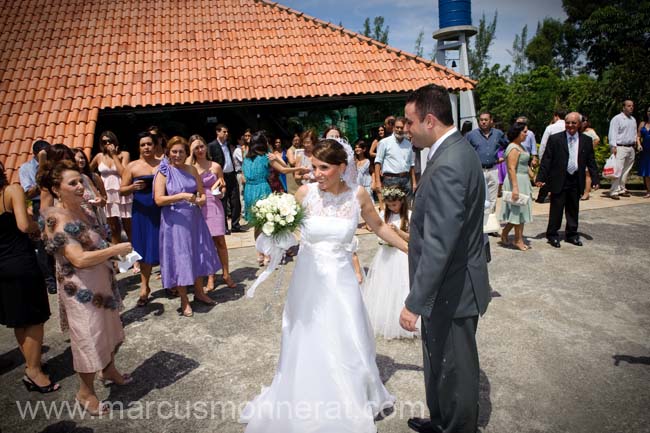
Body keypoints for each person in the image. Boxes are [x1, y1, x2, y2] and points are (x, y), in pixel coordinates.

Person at [240, 138, 408, 432]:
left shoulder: (358, 196)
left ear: (342, 168)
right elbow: (285, 228)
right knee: (307, 335)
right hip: (309, 279)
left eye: (324, 167)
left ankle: (348, 397)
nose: (315, 173)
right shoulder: (305, 193)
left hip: (341, 280)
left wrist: (411, 249)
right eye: (314, 166)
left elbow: (379, 226)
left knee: (346, 334)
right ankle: (306, 394)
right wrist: (272, 230)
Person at [400, 84, 490, 433]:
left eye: (410, 122)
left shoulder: (450, 162)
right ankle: (441, 421)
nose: (405, 129)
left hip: (453, 290)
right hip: (452, 286)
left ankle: (456, 427)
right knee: (441, 360)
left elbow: (441, 243)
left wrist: (415, 301)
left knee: (455, 370)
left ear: (430, 120)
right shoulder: (452, 150)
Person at [38, 160, 132, 415]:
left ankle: (109, 370)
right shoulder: (57, 218)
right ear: (57, 189)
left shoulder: (85, 210)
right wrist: (116, 249)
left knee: (109, 329)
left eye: (81, 181)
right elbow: (77, 258)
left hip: (101, 281)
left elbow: (95, 246)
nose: (81, 186)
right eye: (73, 183)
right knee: (89, 338)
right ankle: (85, 392)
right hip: (81, 290)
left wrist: (112, 258)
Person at [0, 161, 58, 394]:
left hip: (1, 266)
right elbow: (23, 225)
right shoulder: (11, 191)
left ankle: (31, 362)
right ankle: (33, 372)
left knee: (18, 318)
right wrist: (38, 227)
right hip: (20, 261)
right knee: (34, 318)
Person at [154, 136, 220, 317]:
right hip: (175, 221)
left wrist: (201, 199)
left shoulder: (191, 169)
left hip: (195, 219)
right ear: (168, 152)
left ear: (186, 153)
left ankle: (199, 292)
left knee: (197, 254)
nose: (177, 155)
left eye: (181, 151)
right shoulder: (164, 171)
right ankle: (184, 300)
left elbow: (201, 193)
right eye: (174, 151)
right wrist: (182, 196)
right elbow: (158, 200)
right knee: (181, 257)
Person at [242, 131, 308, 265]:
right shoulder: (266, 157)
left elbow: (244, 177)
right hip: (262, 189)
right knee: (267, 223)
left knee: (257, 224)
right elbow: (284, 169)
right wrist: (299, 167)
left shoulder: (246, 158)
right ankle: (267, 254)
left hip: (249, 190)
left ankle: (260, 254)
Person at [536, 112, 600, 248]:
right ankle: (552, 234)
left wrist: (595, 179)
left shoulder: (586, 140)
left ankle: (572, 234)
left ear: (580, 124)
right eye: (568, 123)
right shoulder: (555, 139)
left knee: (573, 209)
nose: (570, 125)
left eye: (573, 123)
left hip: (576, 179)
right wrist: (540, 178)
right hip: (559, 178)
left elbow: (591, 161)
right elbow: (547, 160)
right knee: (556, 209)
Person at [362, 185, 415, 339]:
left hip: (401, 255)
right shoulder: (383, 215)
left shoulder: (410, 215)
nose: (392, 208)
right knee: (385, 286)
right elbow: (378, 232)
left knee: (402, 284)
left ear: (402, 202)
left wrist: (398, 233)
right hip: (386, 255)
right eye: (389, 205)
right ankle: (386, 319)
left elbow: (413, 239)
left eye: (395, 204)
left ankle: (405, 318)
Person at [119, 132, 162, 305]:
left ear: (154, 146)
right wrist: (132, 187)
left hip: (161, 210)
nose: (146, 147)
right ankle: (144, 287)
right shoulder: (132, 166)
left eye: (149, 144)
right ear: (139, 147)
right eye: (143, 145)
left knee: (163, 246)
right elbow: (121, 190)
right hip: (142, 212)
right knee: (144, 250)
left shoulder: (163, 164)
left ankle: (170, 282)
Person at [189, 134, 236, 290]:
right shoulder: (189, 167)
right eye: (196, 147)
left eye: (202, 146)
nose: (200, 150)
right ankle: (210, 276)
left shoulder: (215, 166)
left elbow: (222, 185)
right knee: (205, 243)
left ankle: (226, 273)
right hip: (198, 206)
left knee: (220, 241)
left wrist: (222, 191)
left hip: (214, 204)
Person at [19, 140, 57, 294]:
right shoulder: (26, 168)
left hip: (56, 202)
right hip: (38, 205)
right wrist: (42, 173)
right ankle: (49, 279)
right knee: (43, 243)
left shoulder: (54, 164)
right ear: (36, 154)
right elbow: (27, 193)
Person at [90, 131, 133, 245]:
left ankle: (136, 254)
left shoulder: (124, 154)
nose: (108, 144)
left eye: (110, 141)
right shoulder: (99, 156)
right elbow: (87, 171)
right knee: (113, 227)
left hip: (122, 191)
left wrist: (114, 155)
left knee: (128, 226)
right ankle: (118, 256)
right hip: (107, 193)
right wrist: (95, 183)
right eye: (104, 142)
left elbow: (124, 173)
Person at [499, 122, 534, 251]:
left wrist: (532, 175)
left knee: (519, 212)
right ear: (518, 133)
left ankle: (505, 233)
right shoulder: (513, 148)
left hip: (523, 180)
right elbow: (511, 168)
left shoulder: (521, 147)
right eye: (524, 131)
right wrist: (515, 187)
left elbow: (524, 165)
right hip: (516, 181)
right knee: (518, 212)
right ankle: (518, 240)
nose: (527, 134)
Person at [466, 111, 505, 214]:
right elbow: (464, 150)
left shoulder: (498, 134)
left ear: (491, 121)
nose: (483, 122)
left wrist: (504, 157)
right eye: (481, 120)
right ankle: (479, 224)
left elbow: (508, 145)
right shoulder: (471, 135)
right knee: (478, 197)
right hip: (478, 171)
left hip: (493, 170)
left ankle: (490, 225)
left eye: (486, 120)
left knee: (492, 199)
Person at [207, 124, 245, 233]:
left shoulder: (228, 144)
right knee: (222, 201)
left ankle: (235, 225)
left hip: (231, 174)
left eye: (227, 132)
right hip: (220, 176)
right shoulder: (212, 145)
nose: (226, 134)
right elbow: (210, 161)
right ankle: (223, 226)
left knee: (235, 200)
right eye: (224, 132)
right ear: (217, 132)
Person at [374, 117, 417, 195]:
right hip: (390, 181)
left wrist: (414, 182)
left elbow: (411, 164)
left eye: (402, 128)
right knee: (392, 206)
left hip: (406, 180)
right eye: (397, 127)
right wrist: (378, 182)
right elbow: (378, 162)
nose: (399, 130)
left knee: (407, 206)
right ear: (393, 128)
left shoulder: (408, 144)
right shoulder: (384, 143)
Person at [608, 100, 638, 199]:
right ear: (623, 107)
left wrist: (635, 144)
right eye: (629, 106)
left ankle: (622, 188)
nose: (631, 107)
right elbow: (613, 133)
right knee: (617, 169)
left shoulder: (633, 119)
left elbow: (634, 133)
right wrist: (613, 146)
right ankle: (614, 191)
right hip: (620, 147)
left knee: (626, 170)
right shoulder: (617, 119)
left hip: (630, 147)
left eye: (632, 106)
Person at [72, 148, 107, 232]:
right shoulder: (66, 180)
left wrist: (100, 201)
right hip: (77, 222)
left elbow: (102, 200)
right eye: (79, 158)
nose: (81, 160)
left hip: (94, 221)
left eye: (83, 158)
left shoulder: (86, 178)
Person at [537, 109, 567, 203]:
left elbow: (543, 144)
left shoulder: (550, 128)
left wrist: (541, 158)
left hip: (552, 156)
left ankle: (541, 197)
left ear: (556, 116)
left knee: (547, 177)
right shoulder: (569, 127)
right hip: (565, 156)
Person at [580, 115, 601, 200]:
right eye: (583, 120)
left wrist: (590, 148)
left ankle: (586, 192)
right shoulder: (578, 131)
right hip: (579, 157)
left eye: (586, 120)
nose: (584, 122)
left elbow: (597, 139)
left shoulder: (590, 131)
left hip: (586, 156)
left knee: (587, 174)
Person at [638, 108, 650, 198]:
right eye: (649, 111)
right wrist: (638, 144)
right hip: (645, 150)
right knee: (646, 172)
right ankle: (648, 191)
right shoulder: (642, 124)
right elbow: (638, 136)